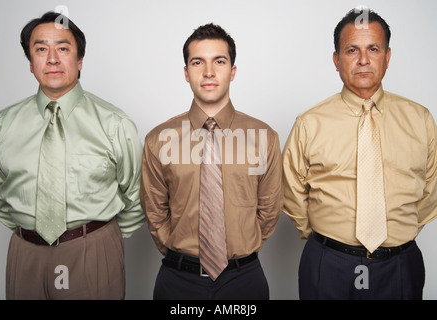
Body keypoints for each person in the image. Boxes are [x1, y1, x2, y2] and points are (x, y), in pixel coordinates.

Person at [282, 7, 437, 300]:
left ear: (387, 57)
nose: (363, 60)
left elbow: (432, 189)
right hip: (329, 264)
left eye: (373, 49)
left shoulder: (421, 119)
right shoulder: (310, 123)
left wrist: (399, 235)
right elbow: (289, 190)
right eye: (352, 50)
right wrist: (322, 239)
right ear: (336, 60)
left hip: (400, 264)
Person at [0, 11, 144, 299]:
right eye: (41, 49)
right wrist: (28, 231)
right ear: (31, 63)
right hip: (25, 253)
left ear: (80, 59)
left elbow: (138, 194)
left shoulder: (114, 123)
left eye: (63, 48)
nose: (52, 59)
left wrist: (102, 239)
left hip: (93, 250)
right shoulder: (4, 123)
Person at [140, 23, 282, 300]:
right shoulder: (159, 139)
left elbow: (270, 207)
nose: (208, 72)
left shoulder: (264, 137)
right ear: (186, 72)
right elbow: (154, 211)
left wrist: (242, 245)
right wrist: (180, 249)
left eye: (219, 61)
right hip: (178, 279)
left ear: (233, 70)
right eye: (197, 62)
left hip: (243, 279)